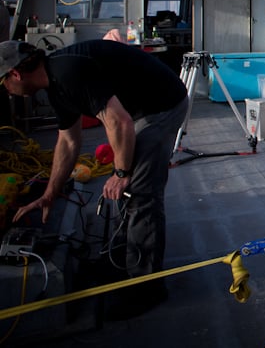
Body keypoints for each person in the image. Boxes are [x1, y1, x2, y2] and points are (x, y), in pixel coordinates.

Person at [6, 38, 188, 320]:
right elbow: (68, 142)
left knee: (139, 194)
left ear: (15, 74)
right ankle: (123, 260)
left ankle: (146, 287)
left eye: (3, 83)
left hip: (162, 106)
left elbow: (120, 122)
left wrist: (120, 173)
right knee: (127, 190)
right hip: (139, 110)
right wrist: (49, 194)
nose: (7, 91)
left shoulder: (66, 72)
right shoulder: (55, 83)